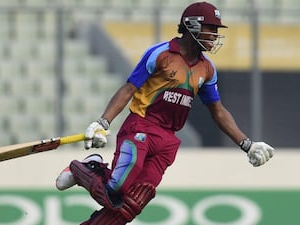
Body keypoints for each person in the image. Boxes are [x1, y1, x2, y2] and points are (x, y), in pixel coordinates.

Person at [56, 1, 275, 224]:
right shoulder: (161, 54)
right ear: (192, 25)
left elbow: (217, 111)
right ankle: (87, 166)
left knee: (132, 203)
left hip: (168, 140)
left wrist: (247, 144)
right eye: (211, 28)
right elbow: (129, 89)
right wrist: (103, 122)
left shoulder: (207, 68)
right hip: (141, 126)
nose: (214, 35)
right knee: (116, 188)